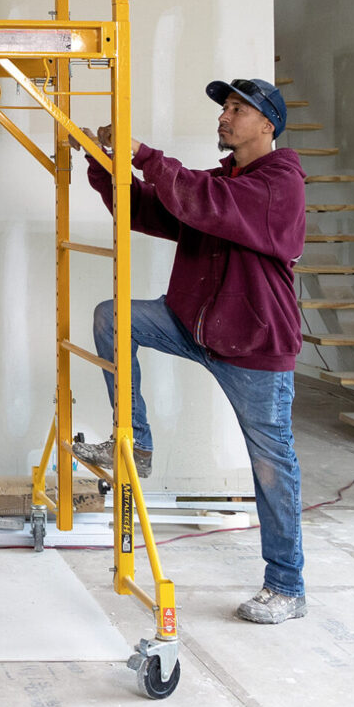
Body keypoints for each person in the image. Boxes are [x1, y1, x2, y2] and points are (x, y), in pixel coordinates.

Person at [74, 76, 309, 623]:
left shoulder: (278, 183)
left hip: (254, 345)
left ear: (267, 124)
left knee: (272, 464)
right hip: (194, 327)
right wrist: (102, 164)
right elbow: (154, 208)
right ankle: (137, 441)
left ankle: (287, 586)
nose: (224, 117)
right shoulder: (222, 181)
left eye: (236, 109)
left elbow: (207, 204)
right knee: (114, 318)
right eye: (223, 108)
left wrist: (145, 154)